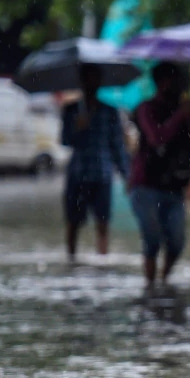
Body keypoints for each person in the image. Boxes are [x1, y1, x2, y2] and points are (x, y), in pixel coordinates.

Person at [128, 63, 190, 287]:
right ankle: (150, 287)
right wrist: (179, 116)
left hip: (174, 186)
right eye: (170, 80)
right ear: (160, 82)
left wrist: (189, 118)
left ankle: (163, 282)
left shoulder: (185, 111)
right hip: (146, 185)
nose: (175, 85)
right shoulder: (147, 108)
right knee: (152, 239)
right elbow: (157, 138)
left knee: (176, 241)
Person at [60, 63, 129, 262]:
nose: (91, 83)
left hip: (102, 174)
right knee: (73, 223)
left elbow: (117, 146)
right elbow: (65, 140)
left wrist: (127, 176)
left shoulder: (109, 111)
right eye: (87, 78)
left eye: (95, 78)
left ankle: (102, 262)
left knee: (103, 223)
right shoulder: (71, 110)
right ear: (81, 82)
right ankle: (71, 261)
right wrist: (77, 128)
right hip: (78, 174)